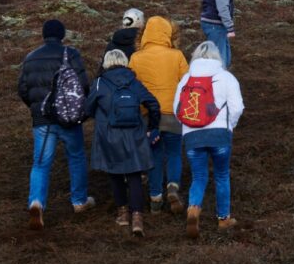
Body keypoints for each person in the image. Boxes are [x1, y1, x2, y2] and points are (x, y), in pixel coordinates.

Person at [17, 19, 94, 230]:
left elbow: (23, 89)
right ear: (62, 35)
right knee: (76, 157)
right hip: (68, 118)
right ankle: (79, 201)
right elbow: (83, 85)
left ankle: (36, 202)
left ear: (43, 35)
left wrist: (36, 108)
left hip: (42, 120)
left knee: (40, 163)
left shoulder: (30, 58)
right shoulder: (71, 54)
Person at [174, 41, 245, 238]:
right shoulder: (226, 77)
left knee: (199, 177)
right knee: (221, 176)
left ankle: (193, 210)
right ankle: (223, 219)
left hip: (192, 136)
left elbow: (177, 109)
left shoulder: (186, 79)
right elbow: (237, 106)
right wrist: (229, 126)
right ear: (217, 56)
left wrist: (188, 128)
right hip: (219, 135)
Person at [86, 49, 160, 236]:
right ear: (125, 61)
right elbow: (153, 104)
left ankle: (122, 213)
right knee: (134, 174)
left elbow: (88, 108)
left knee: (115, 173)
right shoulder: (133, 82)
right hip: (134, 133)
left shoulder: (100, 83)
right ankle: (137, 217)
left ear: (106, 62)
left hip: (109, 134)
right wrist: (153, 127)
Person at [129, 16, 189, 214]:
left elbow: (132, 86)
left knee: (154, 155)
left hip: (148, 117)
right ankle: (172, 186)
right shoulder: (177, 55)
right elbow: (187, 83)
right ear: (167, 33)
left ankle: (155, 198)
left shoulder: (136, 58)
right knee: (173, 153)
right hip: (173, 113)